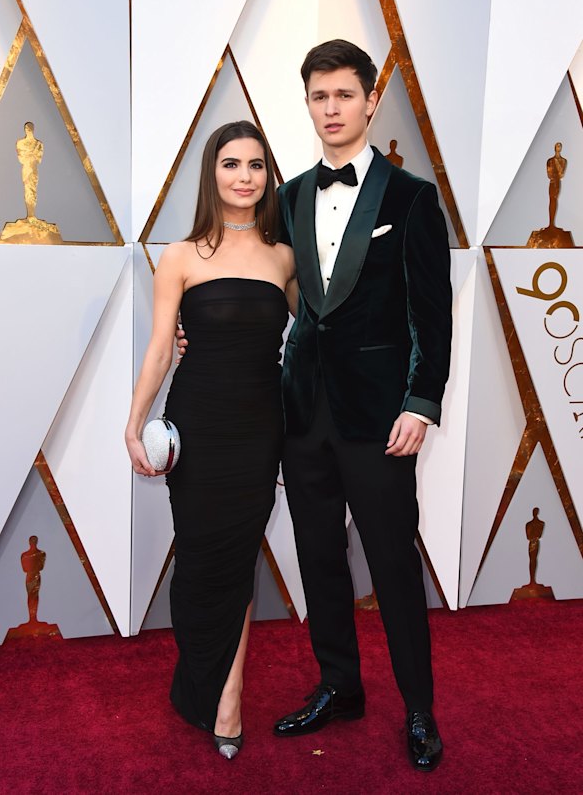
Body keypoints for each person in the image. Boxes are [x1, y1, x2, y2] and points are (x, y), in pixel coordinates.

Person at [178, 40, 452, 772]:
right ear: (307, 105)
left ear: (370, 100)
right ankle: (340, 685)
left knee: (393, 561)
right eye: (317, 96)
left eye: (342, 95)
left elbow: (434, 312)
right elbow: (271, 290)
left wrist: (420, 402)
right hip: (300, 415)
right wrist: (195, 328)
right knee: (318, 557)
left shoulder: (413, 198)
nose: (330, 108)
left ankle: (419, 706)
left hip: (381, 417)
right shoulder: (291, 193)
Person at [126, 120, 295, 760]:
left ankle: (228, 699)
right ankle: (200, 682)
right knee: (199, 564)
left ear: (267, 175)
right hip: (196, 425)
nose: (245, 177)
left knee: (236, 560)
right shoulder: (179, 254)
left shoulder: (284, 256)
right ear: (212, 173)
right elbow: (160, 349)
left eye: (256, 165)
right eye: (231, 164)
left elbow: (310, 338)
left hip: (259, 428)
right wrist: (133, 422)